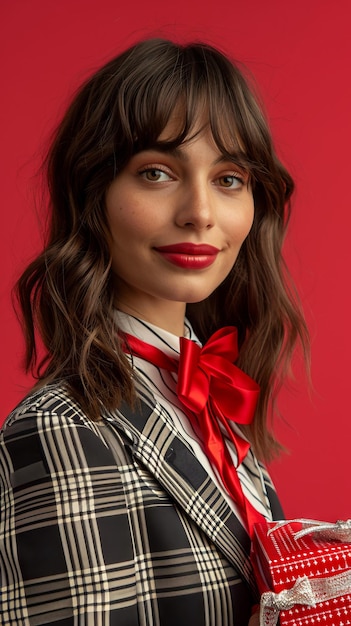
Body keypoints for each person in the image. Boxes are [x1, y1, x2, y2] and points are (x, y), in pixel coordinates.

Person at [0, 38, 308, 625]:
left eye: (229, 178)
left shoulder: (203, 398)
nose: (200, 212)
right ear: (94, 194)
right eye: (157, 172)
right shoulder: (60, 430)